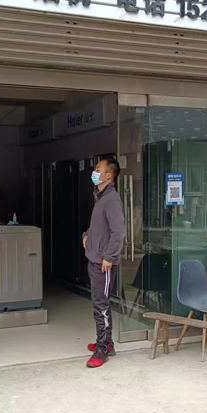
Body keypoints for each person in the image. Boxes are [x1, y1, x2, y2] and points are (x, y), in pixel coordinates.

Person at [82, 158, 126, 369]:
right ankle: (106, 342)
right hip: (95, 258)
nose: (94, 172)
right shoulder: (100, 197)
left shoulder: (112, 200)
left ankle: (102, 349)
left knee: (101, 305)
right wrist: (86, 235)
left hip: (103, 263)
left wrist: (109, 257)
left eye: (98, 169)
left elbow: (119, 232)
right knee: (98, 303)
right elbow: (99, 227)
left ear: (108, 175)